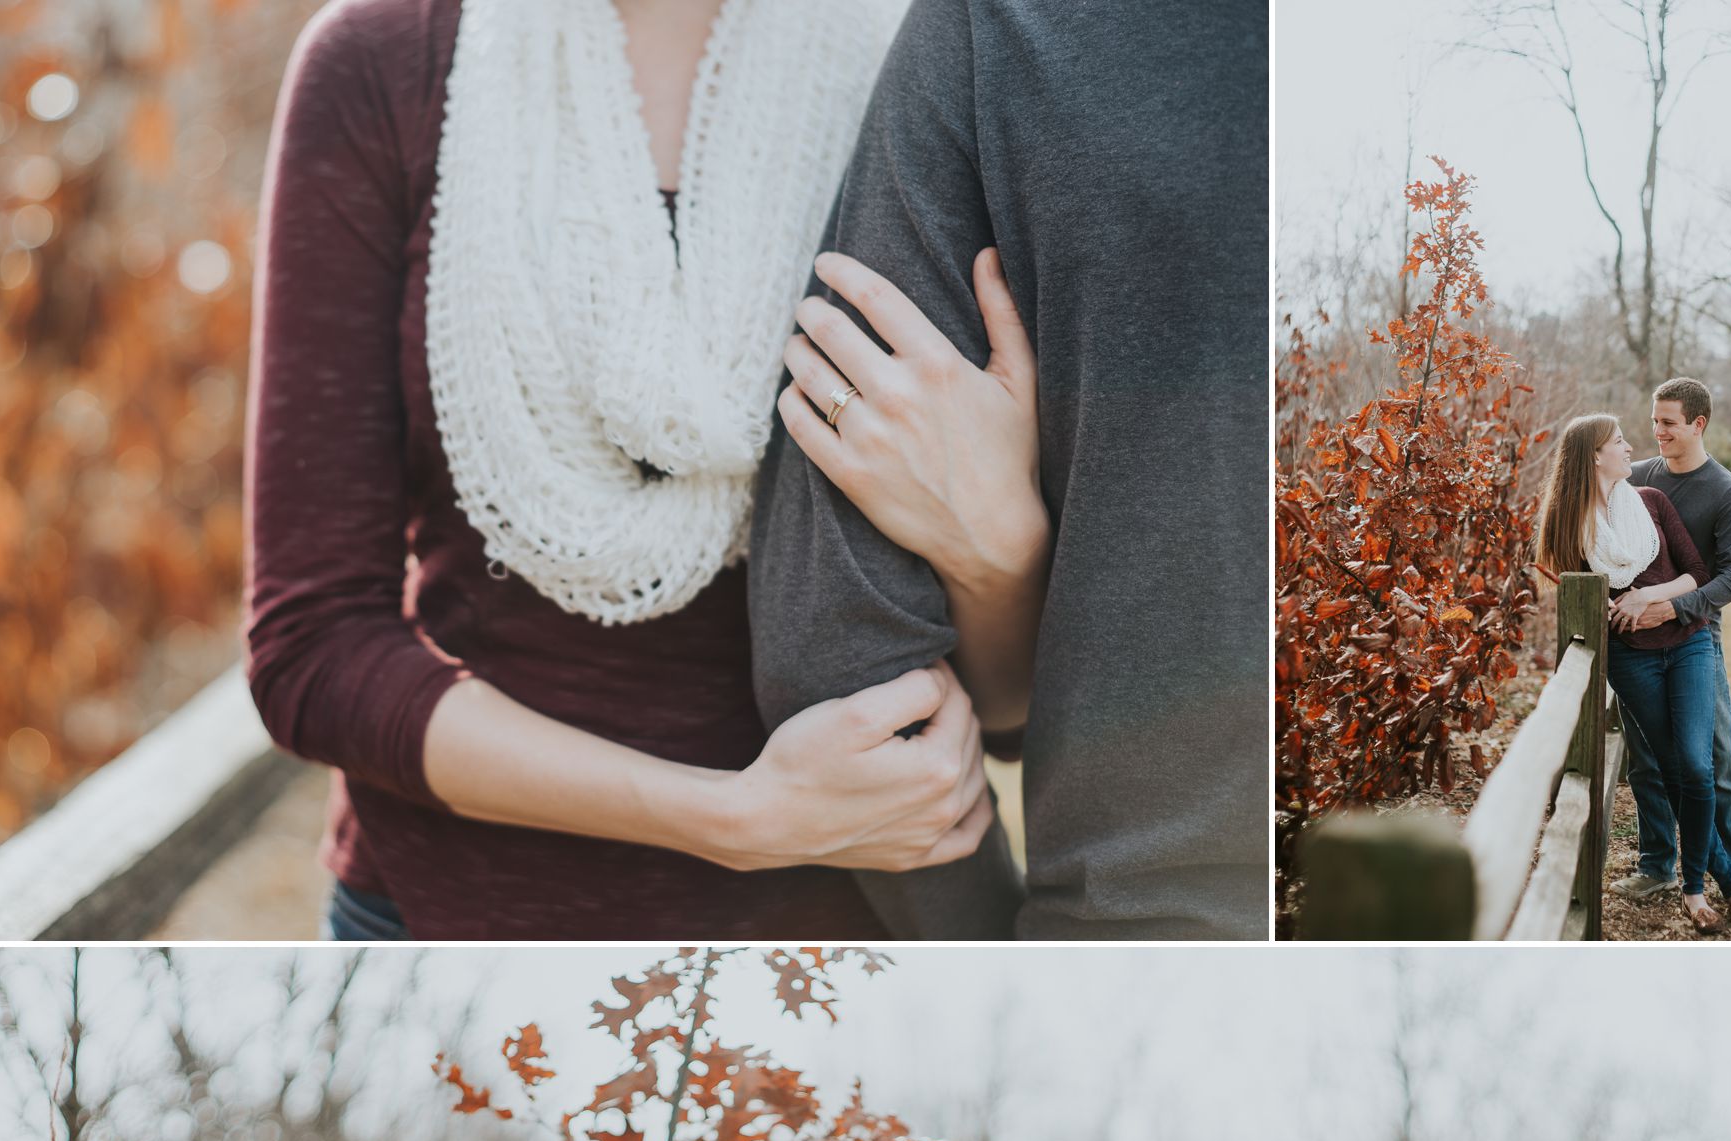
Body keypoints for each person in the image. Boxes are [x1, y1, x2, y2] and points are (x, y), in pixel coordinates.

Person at [241, 0, 1054, 941]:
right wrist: (733, 819)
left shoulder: (924, 68)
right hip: (446, 920)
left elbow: (1006, 716)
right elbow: (312, 648)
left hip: (852, 938)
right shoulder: (383, 62)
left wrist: (1003, 551)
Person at [749, 0, 1266, 940]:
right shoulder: (993, 29)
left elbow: (841, 655)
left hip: (1122, 910)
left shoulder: (998, 27)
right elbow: (887, 684)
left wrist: (1005, 553)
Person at [1533, 416, 1731, 933]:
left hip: (1690, 644)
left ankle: (1703, 885)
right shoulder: (1570, 529)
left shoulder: (1652, 503)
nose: (1630, 447)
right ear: (1595, 456)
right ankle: (1722, 889)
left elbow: (1697, 576)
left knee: (1697, 768)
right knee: (1669, 770)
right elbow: (1579, 599)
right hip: (1633, 660)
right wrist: (1622, 606)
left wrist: (1645, 596)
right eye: (1619, 442)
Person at [1614, 378, 1731, 921]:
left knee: (1717, 759)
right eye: (1653, 421)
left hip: (1698, 634)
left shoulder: (1725, 490)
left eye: (1668, 423)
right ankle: (1658, 864)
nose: (1656, 432)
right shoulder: (1635, 481)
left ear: (1698, 423)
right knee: (1646, 761)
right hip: (1638, 642)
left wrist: (1676, 608)